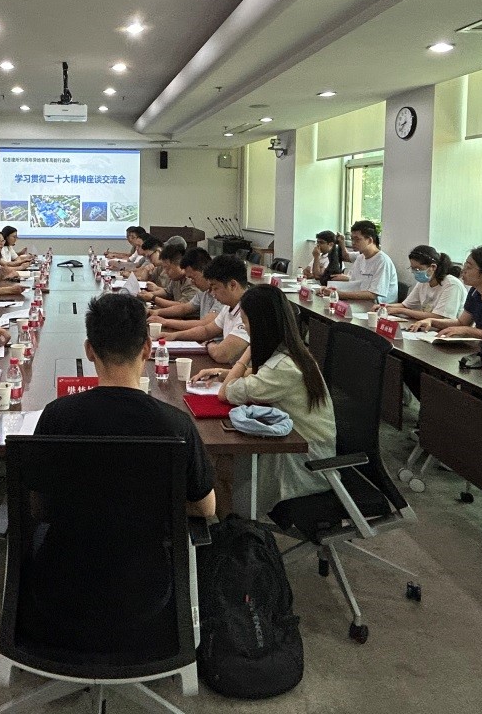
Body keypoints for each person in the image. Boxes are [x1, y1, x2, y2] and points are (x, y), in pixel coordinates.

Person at [28, 293, 216, 655]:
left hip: (60, 585)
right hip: (146, 588)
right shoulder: (175, 424)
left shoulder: (56, 416)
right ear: (147, 349)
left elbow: (39, 506)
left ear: (89, 350)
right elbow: (206, 508)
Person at [191, 284, 336, 513]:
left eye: (245, 322)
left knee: (216, 466)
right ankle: (231, 521)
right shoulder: (291, 352)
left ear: (260, 325)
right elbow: (261, 376)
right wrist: (223, 373)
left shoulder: (283, 368)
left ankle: (235, 525)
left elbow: (225, 393)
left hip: (303, 461)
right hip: (291, 443)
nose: (244, 327)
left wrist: (247, 351)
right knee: (219, 461)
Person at [161, 254, 250, 364]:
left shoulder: (250, 310)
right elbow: (206, 330)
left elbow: (221, 354)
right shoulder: (229, 306)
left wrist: (209, 343)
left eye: (215, 288)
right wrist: (175, 336)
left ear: (232, 285)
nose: (213, 293)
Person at [321, 220, 397, 305]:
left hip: (377, 307)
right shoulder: (360, 258)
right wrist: (330, 288)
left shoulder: (382, 261)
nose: (353, 243)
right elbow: (352, 284)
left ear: (370, 240)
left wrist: (339, 294)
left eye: (357, 240)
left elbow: (372, 295)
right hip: (360, 303)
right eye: (352, 239)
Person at [385, 244, 465, 322]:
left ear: (433, 267)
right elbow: (405, 305)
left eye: (417, 269)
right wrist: (385, 306)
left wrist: (401, 310)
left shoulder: (452, 285)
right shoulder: (423, 282)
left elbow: (439, 317)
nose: (414, 272)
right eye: (412, 268)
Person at [150, 248, 222, 331]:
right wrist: (157, 312)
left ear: (204, 271)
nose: (191, 282)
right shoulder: (203, 291)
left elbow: (205, 324)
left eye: (193, 278)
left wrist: (166, 322)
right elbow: (184, 308)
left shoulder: (221, 294)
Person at [140, 244, 197, 308]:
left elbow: (182, 306)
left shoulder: (191, 281)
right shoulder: (176, 278)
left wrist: (153, 298)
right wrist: (148, 294)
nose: (165, 272)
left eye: (167, 268)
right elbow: (167, 292)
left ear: (181, 265)